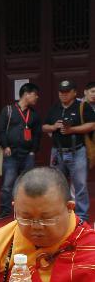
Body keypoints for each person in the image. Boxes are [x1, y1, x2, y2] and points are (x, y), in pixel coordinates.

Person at [43, 79, 95, 223]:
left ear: (74, 92)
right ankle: (59, 214)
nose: (64, 95)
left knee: (80, 185)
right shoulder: (54, 108)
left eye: (67, 92)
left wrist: (72, 129)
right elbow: (44, 127)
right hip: (57, 152)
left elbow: (92, 125)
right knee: (57, 185)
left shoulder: (82, 106)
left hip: (77, 151)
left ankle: (81, 217)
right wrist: (53, 127)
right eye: (61, 92)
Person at [0, 83, 42, 220]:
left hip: (27, 154)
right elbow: (1, 130)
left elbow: (37, 134)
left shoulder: (34, 114)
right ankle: (5, 210)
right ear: (26, 94)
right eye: (35, 94)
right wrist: (5, 146)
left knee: (26, 184)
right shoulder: (8, 110)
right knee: (7, 184)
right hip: (11, 153)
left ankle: (24, 211)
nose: (37, 97)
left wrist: (33, 151)